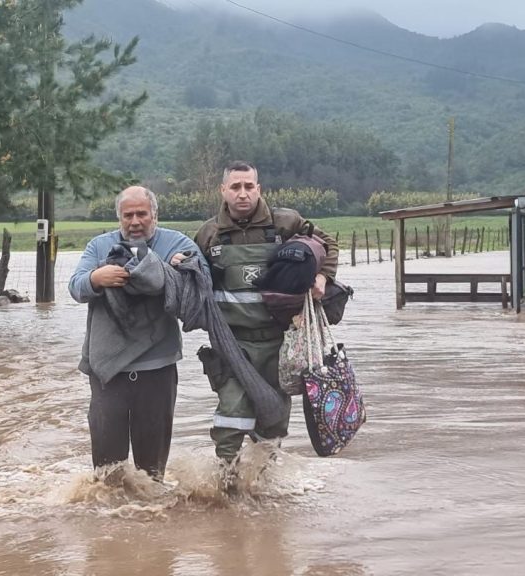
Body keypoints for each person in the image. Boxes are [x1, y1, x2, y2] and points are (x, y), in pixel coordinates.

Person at [194, 161, 339, 466]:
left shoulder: (285, 223)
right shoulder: (208, 234)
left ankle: (263, 491)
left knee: (273, 424)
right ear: (223, 191)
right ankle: (227, 485)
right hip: (232, 346)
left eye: (249, 186)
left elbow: (328, 244)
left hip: (279, 344)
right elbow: (189, 279)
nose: (243, 193)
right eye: (235, 187)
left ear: (258, 189)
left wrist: (322, 278)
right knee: (231, 416)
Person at [69, 185, 208, 481]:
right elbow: (75, 286)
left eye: (141, 214)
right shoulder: (98, 247)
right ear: (119, 217)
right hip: (107, 371)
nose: (135, 222)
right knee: (107, 473)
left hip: (158, 367)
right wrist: (97, 278)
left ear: (155, 215)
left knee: (152, 472)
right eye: (127, 215)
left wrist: (174, 270)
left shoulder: (176, 243)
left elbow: (203, 280)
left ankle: (151, 519)